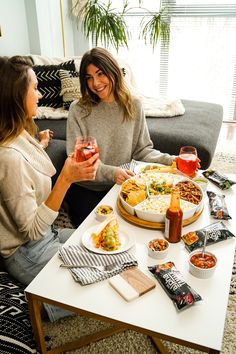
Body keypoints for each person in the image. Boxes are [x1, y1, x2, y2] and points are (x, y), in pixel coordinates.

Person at [0, 56, 99, 322]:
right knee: (99, 283)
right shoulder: (8, 157)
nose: (40, 94)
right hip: (26, 250)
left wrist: (39, 142)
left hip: (48, 234)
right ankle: (41, 305)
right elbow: (32, 229)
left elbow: (25, 160)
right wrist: (66, 179)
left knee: (103, 248)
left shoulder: (18, 133)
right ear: (15, 96)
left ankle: (55, 285)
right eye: (34, 87)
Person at [66, 47, 176, 227]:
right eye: (89, 77)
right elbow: (79, 163)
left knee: (148, 222)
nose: (95, 83)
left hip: (121, 186)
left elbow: (142, 150)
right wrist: (112, 172)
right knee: (100, 233)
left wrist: (171, 160)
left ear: (113, 71)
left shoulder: (133, 105)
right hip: (86, 188)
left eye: (100, 74)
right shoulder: (78, 110)